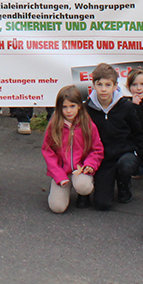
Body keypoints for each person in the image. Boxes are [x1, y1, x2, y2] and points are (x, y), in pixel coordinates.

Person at [85, 64, 143, 210]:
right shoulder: (87, 109)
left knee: (126, 165)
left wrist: (140, 157)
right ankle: (104, 184)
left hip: (124, 154)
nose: (104, 89)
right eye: (99, 85)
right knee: (102, 204)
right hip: (102, 159)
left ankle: (124, 186)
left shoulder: (126, 107)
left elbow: (137, 133)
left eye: (108, 85)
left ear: (115, 86)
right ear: (93, 85)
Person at [43, 86, 103, 214]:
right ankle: (61, 186)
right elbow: (48, 152)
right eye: (64, 107)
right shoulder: (54, 125)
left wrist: (90, 165)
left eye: (72, 106)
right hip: (62, 172)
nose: (68, 111)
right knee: (57, 207)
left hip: (80, 169)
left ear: (79, 106)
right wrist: (58, 175)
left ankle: (82, 192)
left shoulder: (88, 125)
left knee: (83, 186)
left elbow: (97, 150)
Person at [4, 0, 42, 135]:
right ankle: (23, 116)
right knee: (21, 73)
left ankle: (41, 113)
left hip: (39, 30)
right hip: (18, 29)